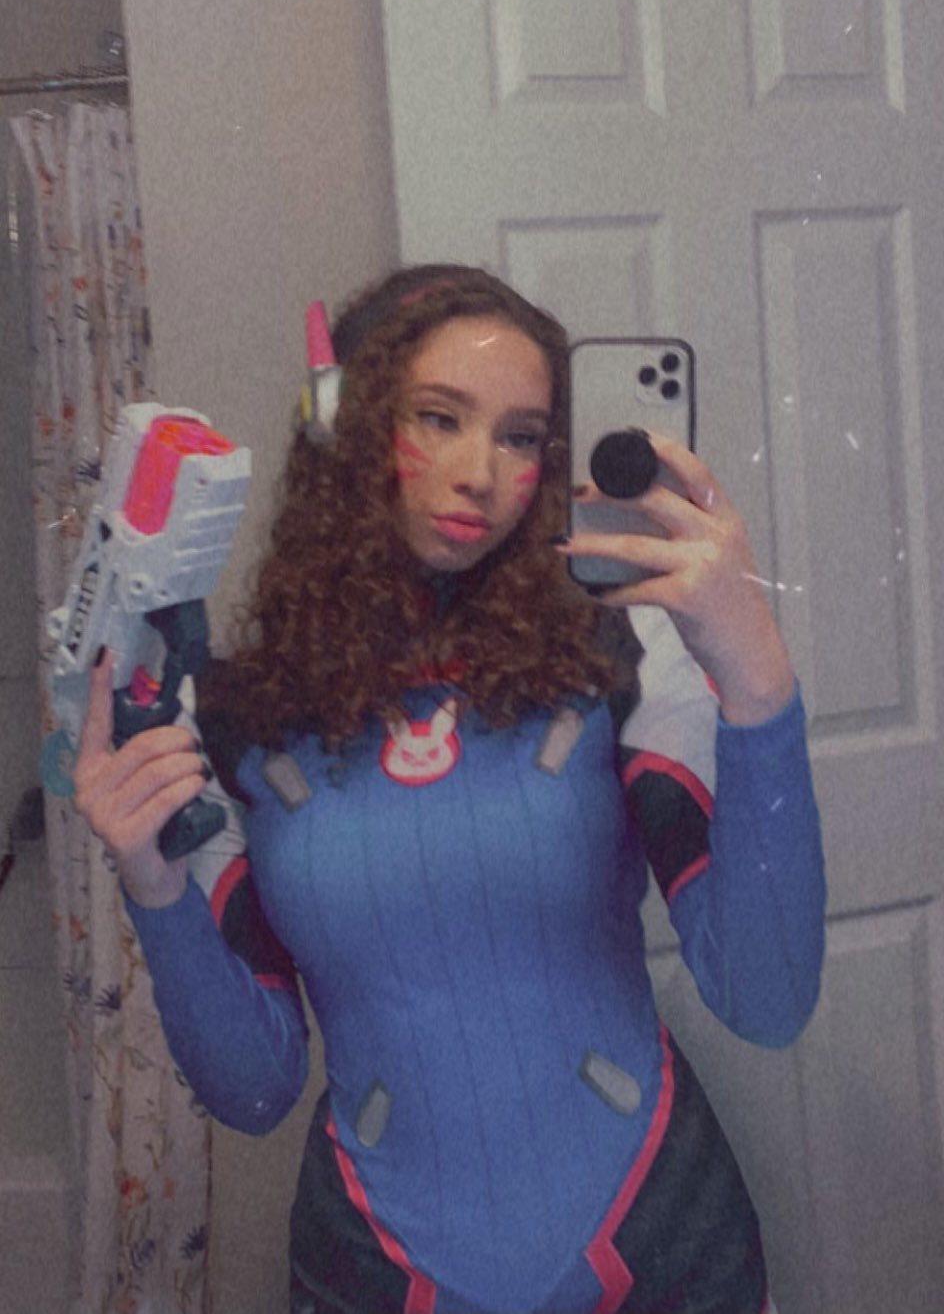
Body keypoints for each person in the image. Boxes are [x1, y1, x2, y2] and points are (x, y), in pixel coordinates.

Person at [73, 265, 825, 1314]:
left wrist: (758, 686)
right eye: (438, 417)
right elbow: (253, 1089)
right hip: (378, 1267)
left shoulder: (621, 649)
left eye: (521, 437)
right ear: (345, 424)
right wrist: (153, 888)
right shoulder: (234, 714)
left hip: (662, 1246)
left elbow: (767, 995)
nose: (481, 473)